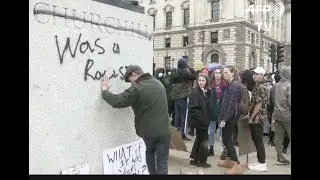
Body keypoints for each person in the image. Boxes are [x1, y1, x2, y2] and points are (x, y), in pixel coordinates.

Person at [100, 65, 171, 174]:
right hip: (165, 131)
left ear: (134, 74)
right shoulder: (158, 83)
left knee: (150, 156)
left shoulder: (137, 88)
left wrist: (105, 91)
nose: (131, 83)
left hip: (149, 133)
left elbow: (118, 101)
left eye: (130, 80)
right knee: (162, 161)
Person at [217, 65, 243, 175]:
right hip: (228, 116)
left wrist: (224, 119)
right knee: (225, 138)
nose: (224, 74)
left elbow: (231, 105)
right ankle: (229, 160)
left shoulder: (235, 86)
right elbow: (225, 102)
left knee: (227, 139)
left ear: (232, 73)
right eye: (224, 73)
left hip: (231, 117)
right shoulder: (229, 84)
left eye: (226, 72)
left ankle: (236, 163)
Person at [171, 58, 197, 141]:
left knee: (177, 116)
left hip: (176, 98)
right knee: (184, 117)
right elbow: (194, 76)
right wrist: (192, 69)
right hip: (183, 97)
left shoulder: (174, 73)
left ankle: (175, 134)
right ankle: (183, 135)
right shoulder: (185, 73)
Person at [189, 73, 212, 168]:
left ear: (206, 81)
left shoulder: (203, 91)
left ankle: (195, 159)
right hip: (200, 121)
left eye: (203, 80)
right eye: (199, 80)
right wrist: (201, 119)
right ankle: (202, 161)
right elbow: (194, 108)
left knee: (199, 139)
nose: (201, 82)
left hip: (202, 120)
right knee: (204, 141)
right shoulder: (195, 92)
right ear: (197, 81)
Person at [247, 67, 268, 172]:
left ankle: (262, 163)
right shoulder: (257, 85)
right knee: (256, 139)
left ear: (262, 76)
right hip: (256, 117)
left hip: (258, 118)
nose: (254, 75)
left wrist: (251, 117)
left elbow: (258, 104)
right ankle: (260, 160)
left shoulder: (261, 87)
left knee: (258, 140)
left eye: (256, 74)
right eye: (253, 73)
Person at [272, 66, 291, 165]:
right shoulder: (289, 85)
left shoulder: (276, 85)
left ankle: (280, 158)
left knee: (278, 137)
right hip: (287, 115)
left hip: (277, 114)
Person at [208, 67, 227, 157]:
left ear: (221, 74)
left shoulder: (225, 85)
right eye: (216, 72)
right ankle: (211, 148)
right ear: (214, 74)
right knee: (211, 132)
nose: (217, 74)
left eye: (219, 73)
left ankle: (224, 150)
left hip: (221, 110)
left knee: (222, 132)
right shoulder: (211, 85)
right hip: (212, 110)